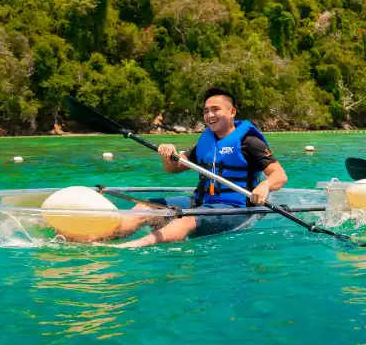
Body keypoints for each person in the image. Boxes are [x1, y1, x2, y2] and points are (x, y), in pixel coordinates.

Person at [106, 88, 288, 247]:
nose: (210, 115)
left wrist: (264, 186)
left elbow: (279, 176)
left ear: (232, 112)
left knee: (186, 220)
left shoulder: (249, 143)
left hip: (235, 208)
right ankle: (102, 237)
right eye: (206, 111)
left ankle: (132, 246)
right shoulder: (205, 143)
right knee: (146, 207)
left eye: (215, 109)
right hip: (199, 202)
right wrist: (168, 153)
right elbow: (173, 168)